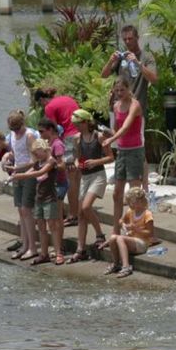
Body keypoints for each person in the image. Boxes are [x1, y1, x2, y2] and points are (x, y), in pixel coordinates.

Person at [101, 25, 158, 189]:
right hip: (118, 107)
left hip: (136, 109)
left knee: (139, 148)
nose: (127, 42)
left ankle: (144, 187)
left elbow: (154, 79)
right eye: (125, 39)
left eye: (130, 39)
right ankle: (126, 180)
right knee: (121, 144)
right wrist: (111, 61)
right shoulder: (121, 58)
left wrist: (138, 64)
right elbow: (104, 75)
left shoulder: (146, 57)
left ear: (137, 38)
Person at [66, 109, 114, 263]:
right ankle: (81, 249)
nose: (76, 127)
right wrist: (75, 165)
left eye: (78, 124)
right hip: (85, 177)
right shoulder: (76, 139)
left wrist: (96, 162)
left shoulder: (99, 137)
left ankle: (100, 234)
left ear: (86, 122)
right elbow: (77, 157)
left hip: (98, 176)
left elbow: (110, 157)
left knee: (86, 207)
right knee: (81, 213)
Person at [102, 78, 145, 235]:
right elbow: (116, 129)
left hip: (134, 150)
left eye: (122, 90)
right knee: (116, 193)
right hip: (122, 150)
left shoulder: (135, 105)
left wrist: (111, 140)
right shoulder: (116, 105)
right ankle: (116, 229)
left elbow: (126, 126)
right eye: (117, 90)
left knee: (134, 193)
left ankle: (138, 228)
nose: (119, 93)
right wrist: (106, 134)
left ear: (128, 89)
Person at [13, 139, 65, 266]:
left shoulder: (51, 161)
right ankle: (44, 253)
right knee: (41, 226)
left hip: (50, 198)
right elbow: (30, 171)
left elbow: (41, 172)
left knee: (52, 225)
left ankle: (58, 253)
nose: (36, 156)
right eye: (35, 154)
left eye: (38, 153)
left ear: (44, 149)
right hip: (39, 198)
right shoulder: (38, 162)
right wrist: (16, 173)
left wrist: (22, 176)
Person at [34, 87, 81, 227]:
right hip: (81, 135)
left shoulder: (49, 107)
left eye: (40, 104)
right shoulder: (66, 98)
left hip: (70, 137)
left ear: (42, 99)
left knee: (70, 177)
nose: (42, 107)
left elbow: (53, 130)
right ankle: (76, 211)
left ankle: (73, 215)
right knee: (76, 176)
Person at [6, 110, 41, 260]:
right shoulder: (13, 136)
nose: (15, 131)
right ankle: (25, 245)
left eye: (17, 128)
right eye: (12, 129)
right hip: (17, 175)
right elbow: (15, 154)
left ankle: (32, 247)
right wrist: (7, 160)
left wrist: (17, 169)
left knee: (27, 210)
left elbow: (35, 161)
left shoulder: (29, 136)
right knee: (21, 211)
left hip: (28, 174)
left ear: (23, 124)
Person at [104, 186, 156, 278]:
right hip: (131, 241)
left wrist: (136, 229)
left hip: (142, 243)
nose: (129, 205)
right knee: (112, 238)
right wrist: (124, 225)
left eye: (131, 202)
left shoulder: (147, 214)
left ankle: (126, 266)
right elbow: (121, 221)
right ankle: (116, 263)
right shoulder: (130, 211)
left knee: (119, 238)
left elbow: (150, 233)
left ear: (139, 202)